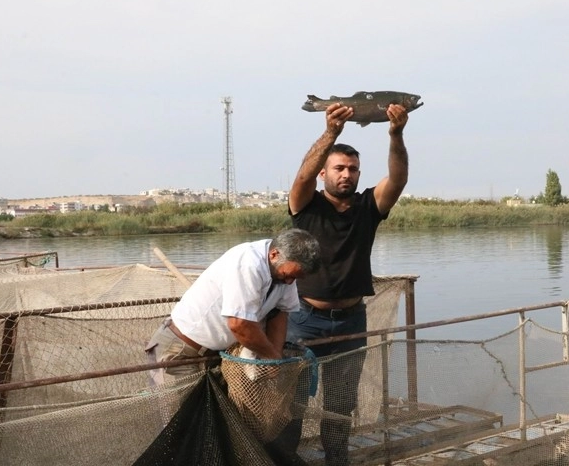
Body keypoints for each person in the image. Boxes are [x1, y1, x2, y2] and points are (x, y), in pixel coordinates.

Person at [272, 102, 410, 465]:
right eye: (338, 168)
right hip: (304, 319)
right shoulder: (307, 206)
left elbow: (397, 179)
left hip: (351, 321)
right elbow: (301, 178)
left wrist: (395, 134)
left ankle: (337, 459)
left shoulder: (369, 207)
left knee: (340, 404)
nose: (345, 174)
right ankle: (287, 460)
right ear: (324, 173)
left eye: (352, 169)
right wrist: (331, 133)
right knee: (294, 402)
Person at [145, 228, 321, 385]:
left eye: (296, 278)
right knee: (181, 419)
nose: (290, 282)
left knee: (215, 417)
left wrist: (274, 358)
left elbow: (280, 313)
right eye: (287, 275)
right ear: (274, 254)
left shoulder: (285, 274)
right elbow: (240, 324)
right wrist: (272, 357)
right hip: (181, 351)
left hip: (216, 354)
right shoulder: (248, 263)